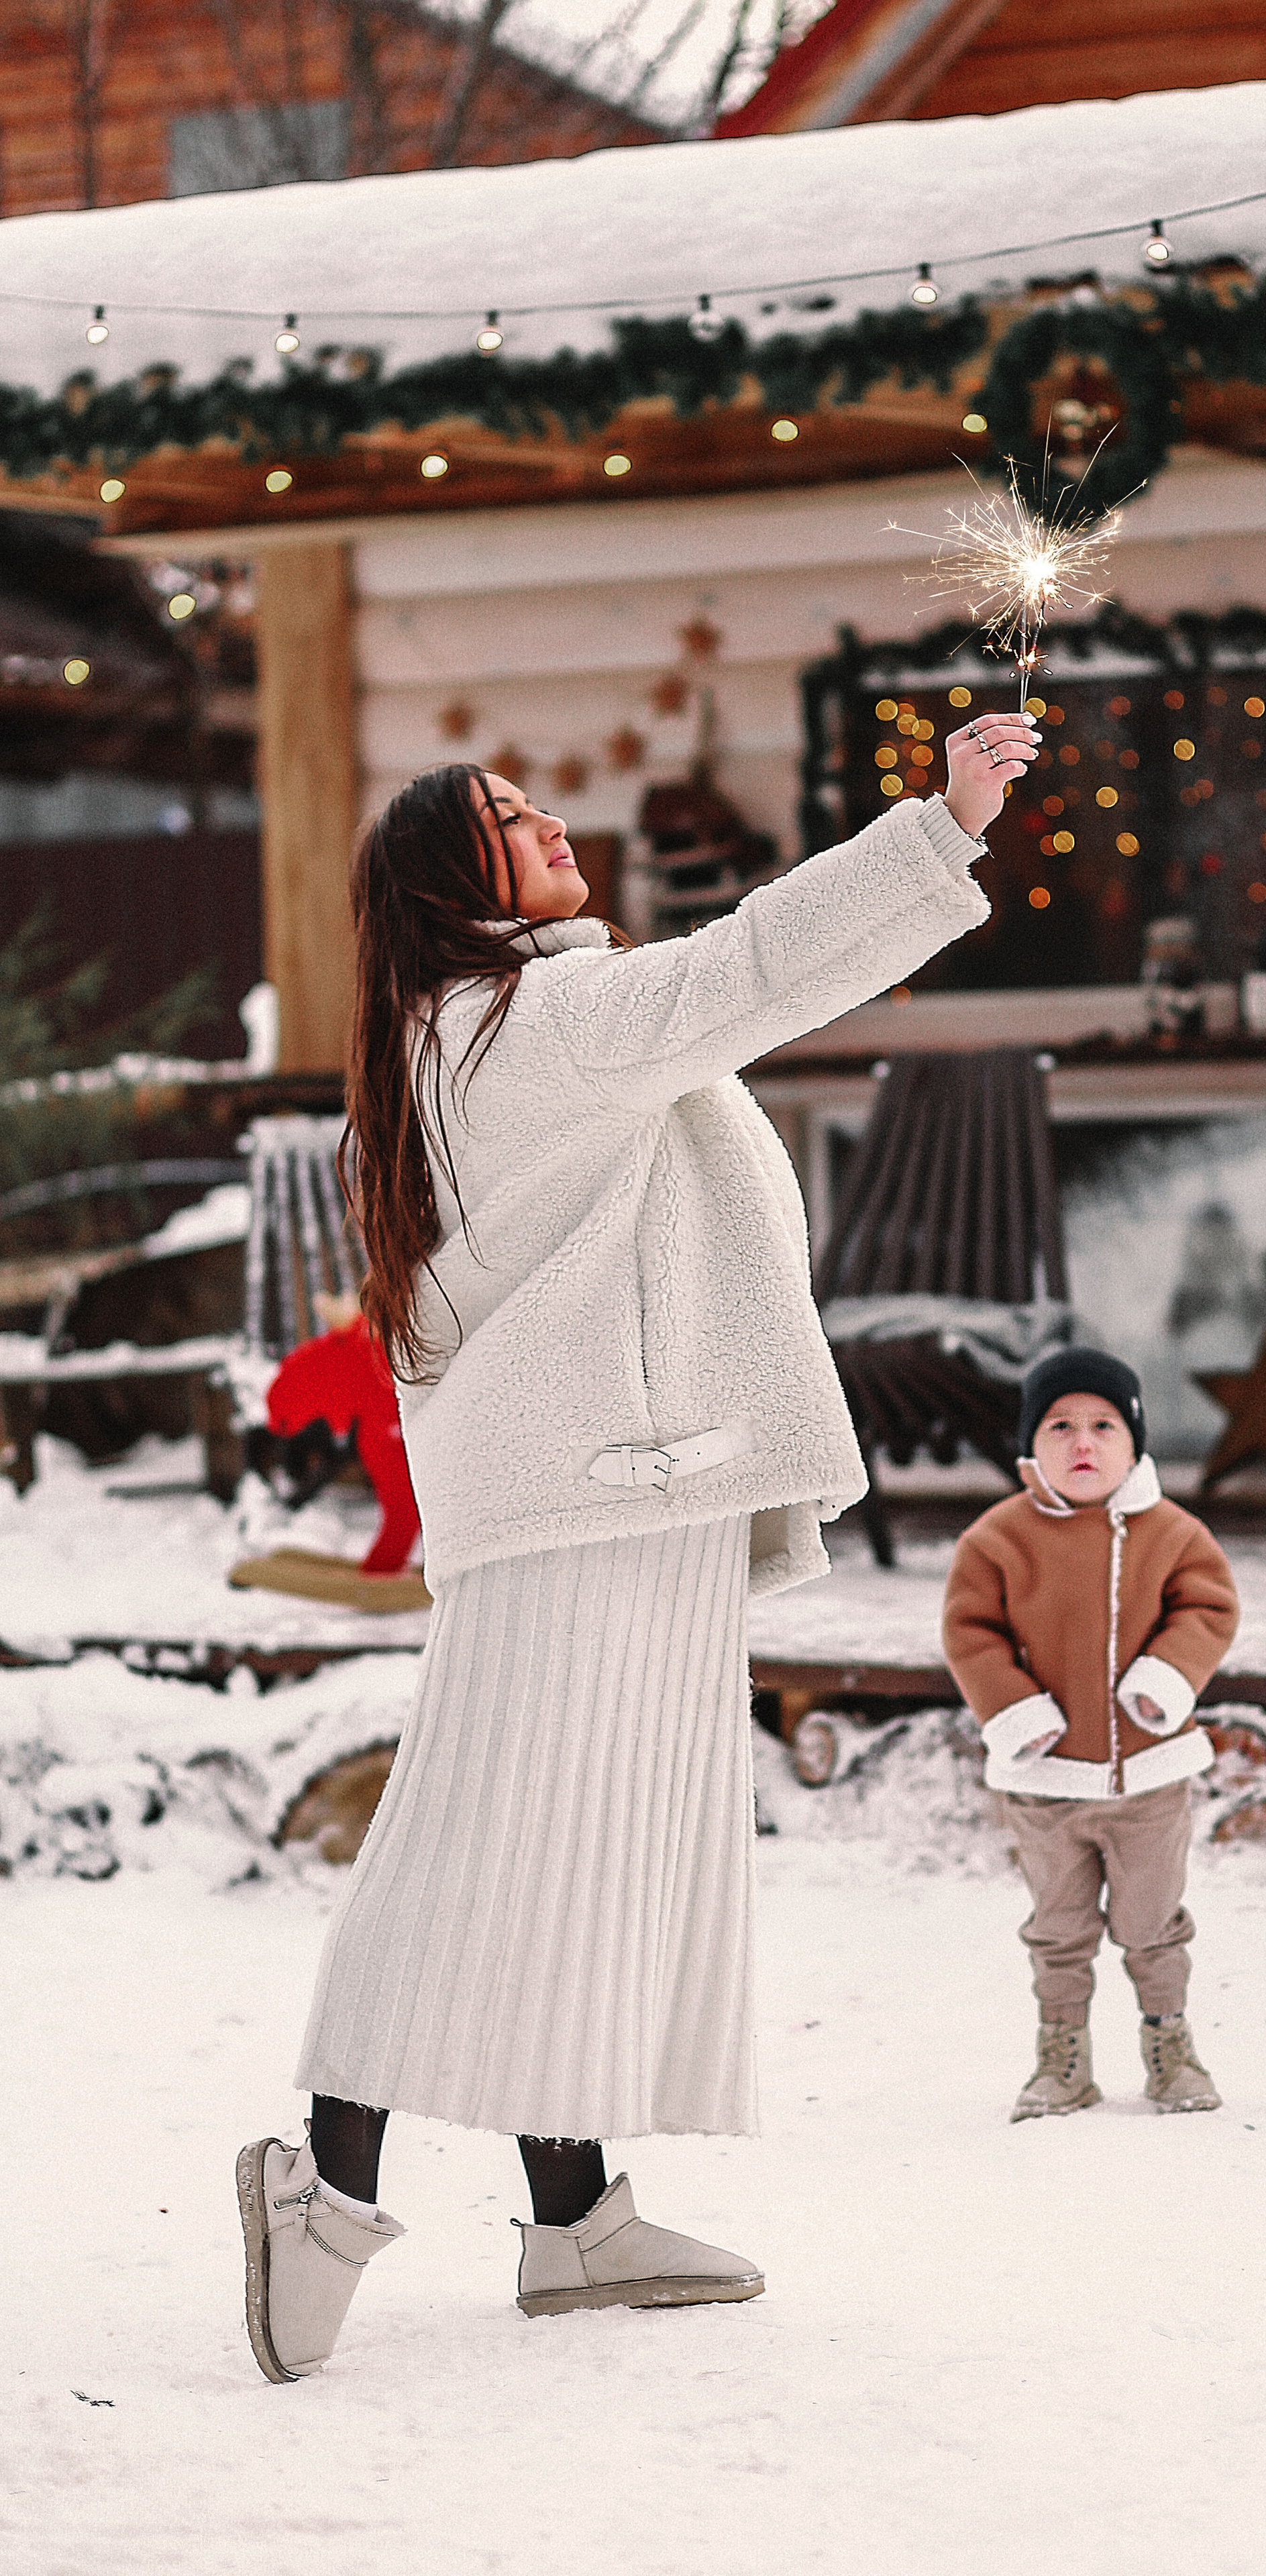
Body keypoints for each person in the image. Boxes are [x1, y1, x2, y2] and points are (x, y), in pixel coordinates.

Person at [236, 705, 1040, 2385]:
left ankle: (574, 2210)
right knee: (481, 1850)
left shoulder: (464, 1033)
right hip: (592, 1497)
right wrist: (940, 822)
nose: (554, 831)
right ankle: (327, 2181)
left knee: (595, 1844)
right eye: (514, 822)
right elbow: (755, 967)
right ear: (465, 885)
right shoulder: (539, 1019)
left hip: (619, 1488)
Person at [941, 1348, 1239, 2124]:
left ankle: (1169, 2044)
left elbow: (1207, 1610)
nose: (1082, 1443)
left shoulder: (1171, 1533)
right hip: (1045, 1786)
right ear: (1029, 1446)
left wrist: (1162, 1683)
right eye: (1060, 1426)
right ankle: (1061, 2056)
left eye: (1104, 1425)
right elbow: (970, 1634)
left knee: (1151, 1923)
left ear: (1134, 1442)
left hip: (1147, 1778)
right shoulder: (996, 1539)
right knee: (1058, 1928)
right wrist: (1017, 1713)